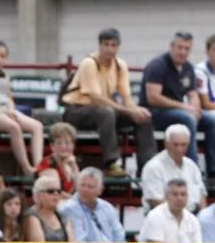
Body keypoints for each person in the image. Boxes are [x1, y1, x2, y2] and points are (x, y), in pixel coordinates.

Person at [59, 28, 154, 175]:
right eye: (106, 45)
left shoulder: (120, 65)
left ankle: (148, 166)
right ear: (100, 46)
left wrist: (136, 111)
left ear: (118, 47)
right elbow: (95, 98)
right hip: (77, 110)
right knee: (106, 112)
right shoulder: (89, 63)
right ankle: (111, 163)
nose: (110, 49)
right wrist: (128, 110)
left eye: (114, 45)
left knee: (142, 118)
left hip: (102, 111)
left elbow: (127, 98)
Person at [142, 31, 215, 174]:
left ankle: (213, 170)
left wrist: (195, 107)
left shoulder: (188, 67)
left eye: (187, 48)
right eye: (180, 47)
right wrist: (185, 107)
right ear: (172, 46)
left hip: (179, 112)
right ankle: (192, 169)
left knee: (212, 120)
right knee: (187, 118)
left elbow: (193, 94)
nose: (183, 52)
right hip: (155, 113)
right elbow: (153, 98)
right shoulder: (158, 65)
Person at [0, 40, 43, 174]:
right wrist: (4, 111)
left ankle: (39, 164)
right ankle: (26, 167)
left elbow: (9, 97)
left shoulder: (5, 75)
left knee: (37, 126)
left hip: (5, 110)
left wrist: (11, 109)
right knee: (14, 127)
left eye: (3, 56)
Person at [140, 123, 205, 211]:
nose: (179, 149)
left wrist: (202, 218)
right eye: (175, 144)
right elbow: (155, 202)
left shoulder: (192, 166)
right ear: (166, 144)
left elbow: (201, 195)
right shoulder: (153, 167)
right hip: (162, 218)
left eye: (183, 145)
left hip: (191, 218)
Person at [34, 121, 81, 194]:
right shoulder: (47, 163)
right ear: (52, 146)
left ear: (73, 145)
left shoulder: (73, 162)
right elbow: (55, 193)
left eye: (67, 143)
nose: (63, 147)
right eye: (59, 143)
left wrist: (74, 167)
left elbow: (81, 190)